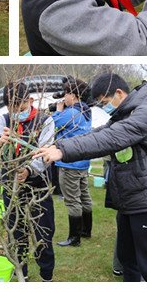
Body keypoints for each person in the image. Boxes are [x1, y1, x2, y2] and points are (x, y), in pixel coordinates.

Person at [34, 72, 147, 282]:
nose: (105, 107)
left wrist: (63, 151)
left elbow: (110, 138)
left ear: (118, 93)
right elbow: (96, 134)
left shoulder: (145, 112)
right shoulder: (125, 114)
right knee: (128, 260)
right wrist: (57, 145)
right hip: (131, 199)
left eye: (105, 102)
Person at [0, 81, 56, 282]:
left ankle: (46, 275)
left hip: (38, 185)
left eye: (22, 108)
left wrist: (30, 169)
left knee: (43, 230)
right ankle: (21, 271)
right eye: (13, 109)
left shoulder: (45, 121)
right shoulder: (5, 119)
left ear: (31, 101)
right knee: (16, 230)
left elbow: (47, 150)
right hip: (11, 185)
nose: (18, 113)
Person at [51, 77, 93, 247]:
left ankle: (74, 238)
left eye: (66, 94)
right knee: (84, 196)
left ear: (73, 96)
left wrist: (58, 110)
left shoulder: (71, 112)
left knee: (72, 200)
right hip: (82, 161)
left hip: (69, 163)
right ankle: (85, 231)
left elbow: (53, 123)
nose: (64, 98)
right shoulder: (86, 111)